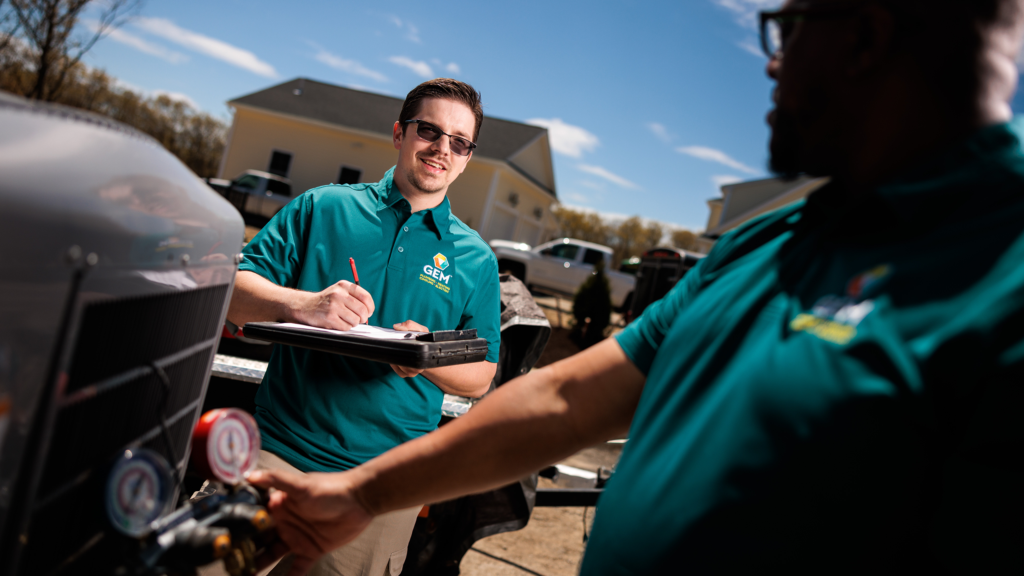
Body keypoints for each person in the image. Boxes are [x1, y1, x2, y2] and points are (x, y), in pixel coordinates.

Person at [250, 1, 1024, 573]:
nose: (771, 63)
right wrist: (364, 494)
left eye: (787, 30)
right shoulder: (767, 240)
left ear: (866, 34)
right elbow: (565, 399)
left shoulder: (1003, 273)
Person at [227, 78, 501, 575]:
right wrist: (304, 304)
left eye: (459, 142)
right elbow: (232, 294)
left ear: (466, 158)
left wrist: (426, 357)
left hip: (384, 488)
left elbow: (482, 374)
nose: (442, 148)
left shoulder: (476, 259)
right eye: (428, 131)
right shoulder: (324, 208)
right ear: (399, 133)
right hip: (275, 454)